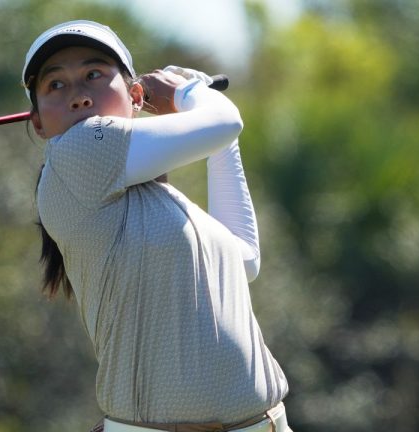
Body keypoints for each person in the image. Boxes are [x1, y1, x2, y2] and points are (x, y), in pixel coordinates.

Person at [23, 20, 291, 432]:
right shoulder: (76, 152)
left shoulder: (164, 205)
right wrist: (190, 92)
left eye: (93, 75)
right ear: (38, 123)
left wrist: (220, 142)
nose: (77, 96)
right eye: (55, 86)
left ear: (134, 96)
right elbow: (225, 122)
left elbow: (244, 259)